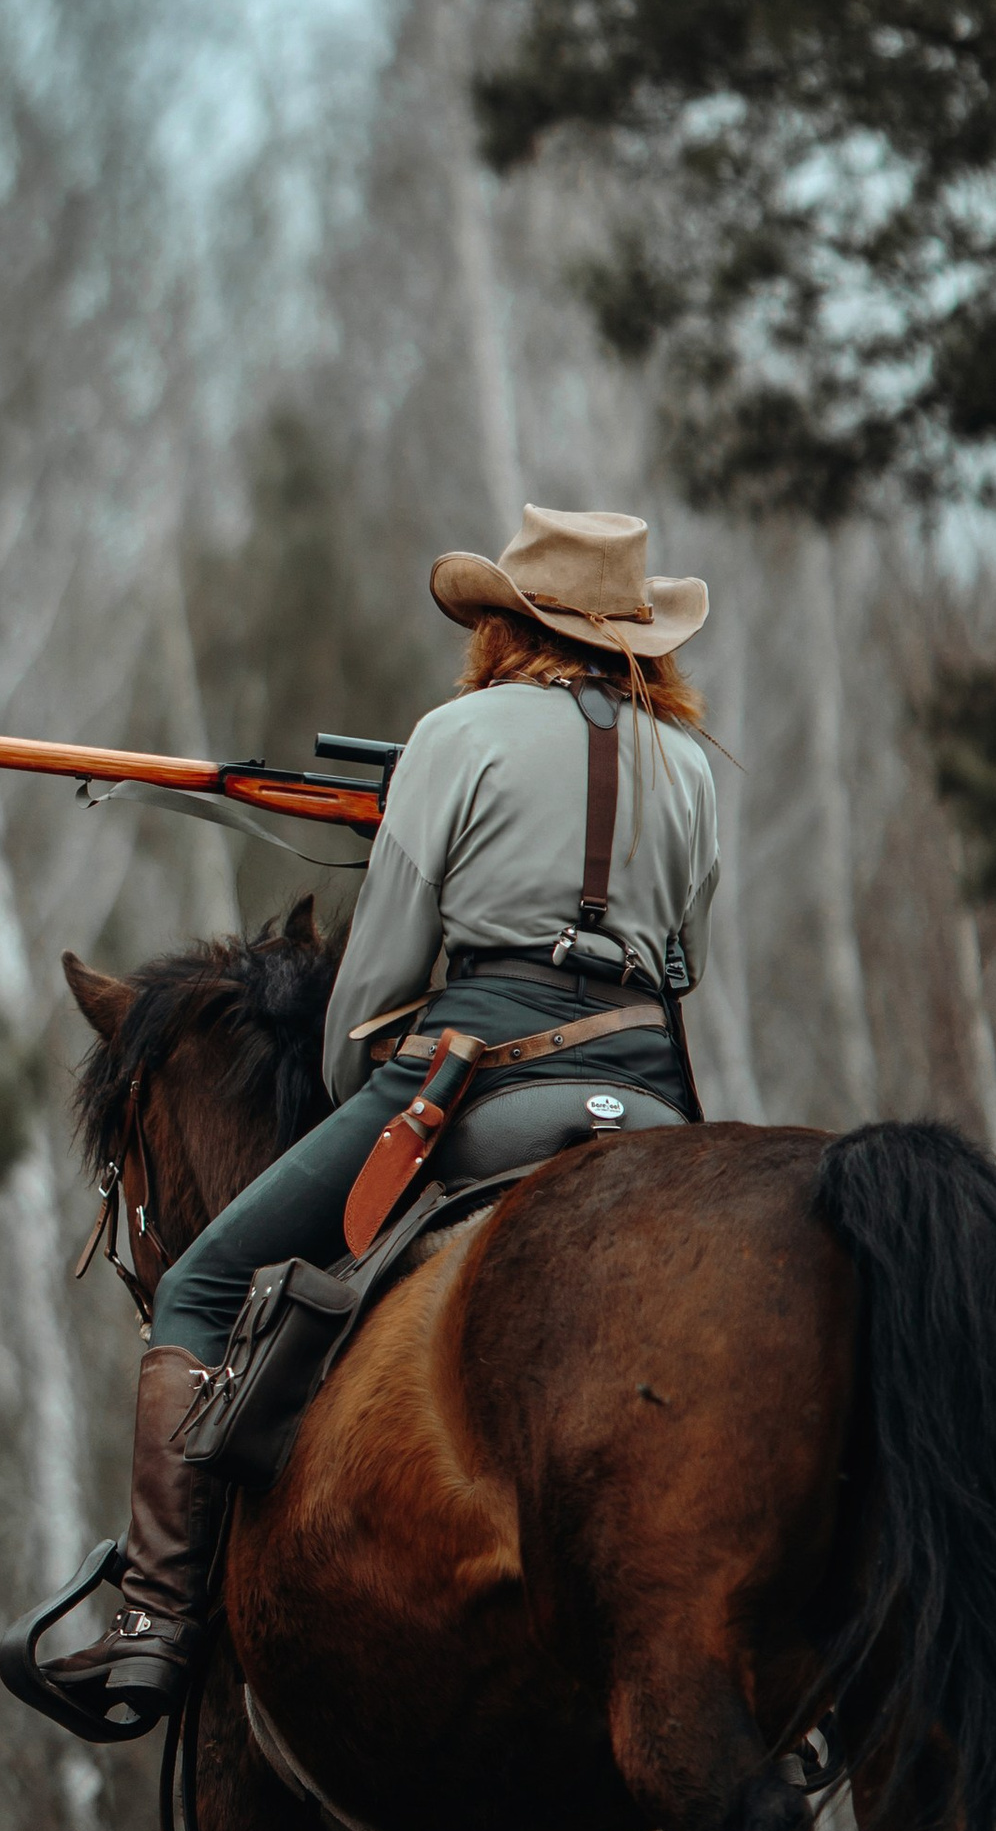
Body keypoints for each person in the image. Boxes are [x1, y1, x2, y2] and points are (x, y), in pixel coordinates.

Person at [48, 504, 719, 1737]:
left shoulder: (453, 737)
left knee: (198, 1285)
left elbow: (368, 994)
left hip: (478, 1094)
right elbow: (682, 962)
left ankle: (148, 1623)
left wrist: (353, 1050)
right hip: (654, 1106)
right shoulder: (690, 768)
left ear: (506, 628)